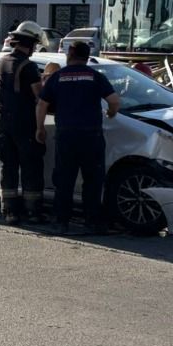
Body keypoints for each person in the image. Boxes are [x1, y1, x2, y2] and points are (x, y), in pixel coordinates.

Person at [37, 42, 121, 235]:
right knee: (93, 179)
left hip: (66, 135)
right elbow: (115, 101)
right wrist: (110, 113)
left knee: (64, 179)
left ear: (69, 56)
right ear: (87, 56)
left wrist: (40, 128)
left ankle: (61, 222)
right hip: (91, 135)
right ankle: (92, 222)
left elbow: (42, 104)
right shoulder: (95, 76)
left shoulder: (58, 77)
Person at [0, 21, 48, 225]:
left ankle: (9, 212)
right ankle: (32, 212)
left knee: (8, 168)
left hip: (1, 125)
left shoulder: (1, 62)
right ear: (30, 44)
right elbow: (39, 96)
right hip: (24, 125)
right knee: (31, 168)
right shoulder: (29, 66)